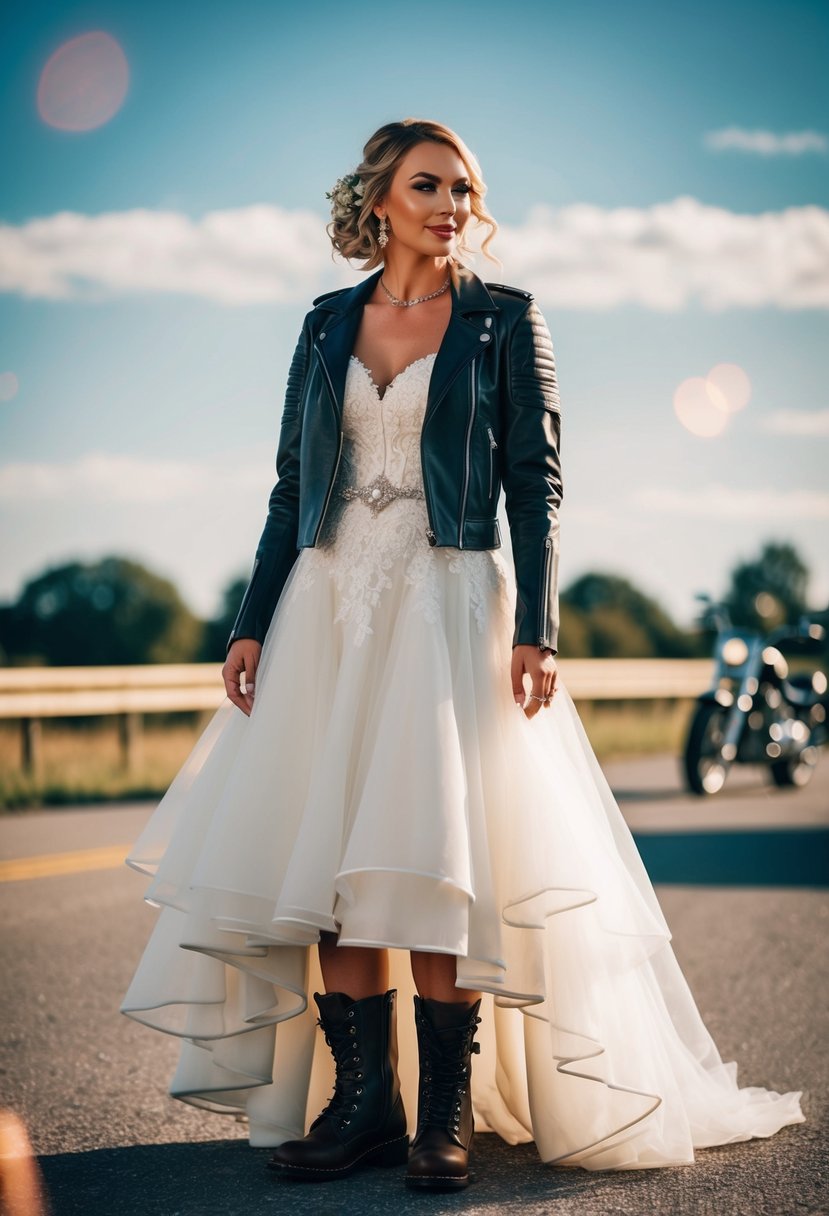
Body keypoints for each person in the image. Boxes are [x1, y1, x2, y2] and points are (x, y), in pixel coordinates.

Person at [120, 117, 805, 1191]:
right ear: (379, 199)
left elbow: (535, 481)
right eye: (427, 185)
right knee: (325, 859)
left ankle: (442, 1114)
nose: (451, 206)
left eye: (464, 190)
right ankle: (364, 1110)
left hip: (447, 600)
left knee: (428, 855)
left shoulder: (504, 321)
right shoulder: (324, 323)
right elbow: (291, 483)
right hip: (327, 598)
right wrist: (252, 617)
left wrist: (539, 624)